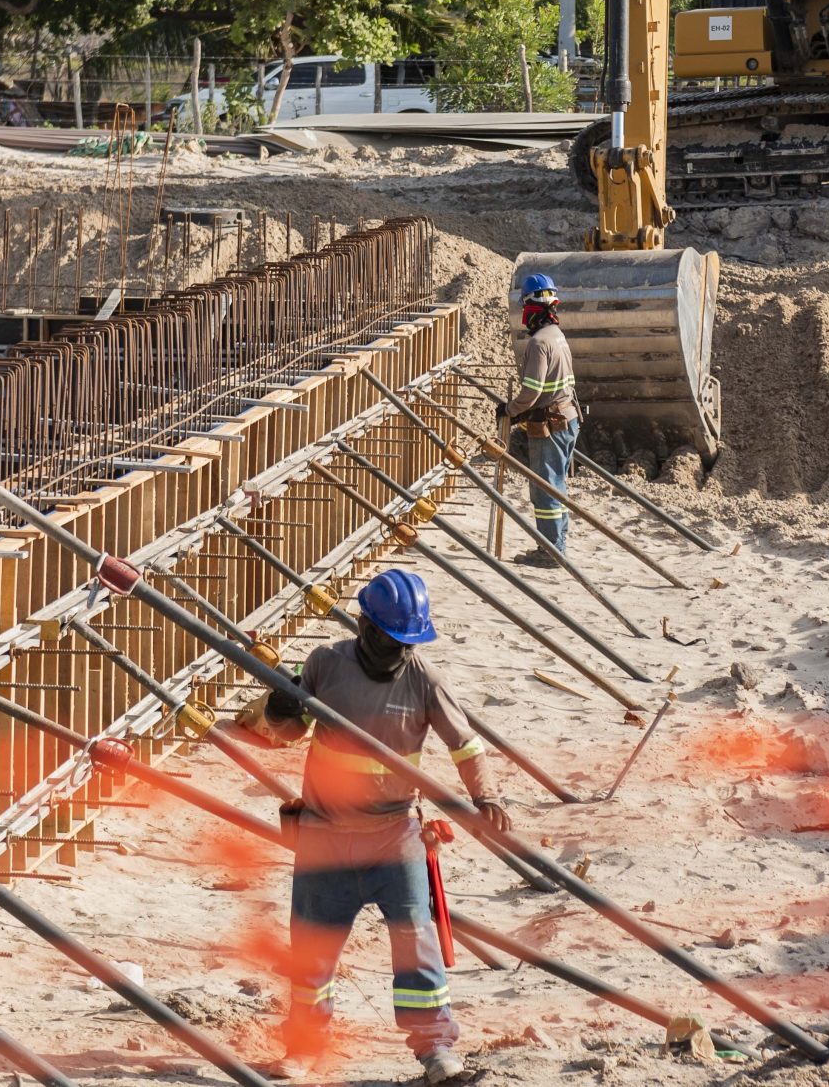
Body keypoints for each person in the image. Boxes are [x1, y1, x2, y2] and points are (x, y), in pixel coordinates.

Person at [249, 568, 511, 1084]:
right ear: (365, 627)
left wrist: (487, 797)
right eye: (393, 641)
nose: (400, 652)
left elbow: (466, 746)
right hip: (325, 833)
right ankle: (303, 1048)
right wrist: (281, 708)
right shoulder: (326, 664)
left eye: (408, 643)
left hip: (395, 837)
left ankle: (436, 1050)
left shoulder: (424, 679)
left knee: (417, 944)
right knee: (311, 950)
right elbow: (284, 733)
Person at [502, 271, 579, 563]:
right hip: (568, 418)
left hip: (551, 424)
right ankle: (557, 547)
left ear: (531, 308)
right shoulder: (557, 336)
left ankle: (549, 553)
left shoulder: (538, 344)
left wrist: (509, 410)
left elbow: (531, 392)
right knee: (557, 484)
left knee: (545, 489)